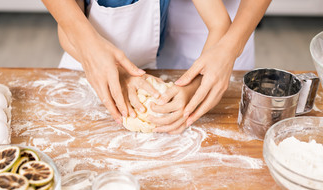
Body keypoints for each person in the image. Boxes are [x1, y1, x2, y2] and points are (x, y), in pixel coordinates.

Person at [42, 0, 271, 133]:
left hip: (145, 70)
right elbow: (68, 27)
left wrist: (192, 86)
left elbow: (220, 22)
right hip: (84, 71)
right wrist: (113, 69)